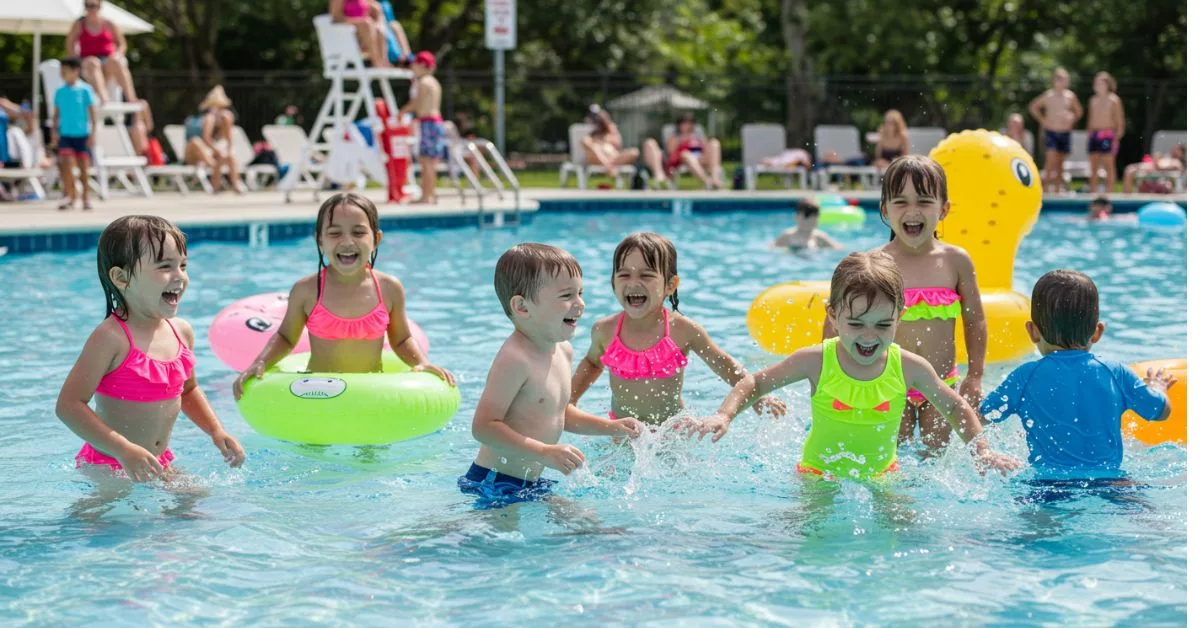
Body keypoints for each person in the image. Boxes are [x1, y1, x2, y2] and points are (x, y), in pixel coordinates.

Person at [689, 251, 1020, 479]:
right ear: (833, 315)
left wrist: (982, 451)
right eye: (857, 323)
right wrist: (724, 414)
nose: (869, 336)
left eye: (882, 324)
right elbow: (756, 383)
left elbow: (955, 405)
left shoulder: (908, 367)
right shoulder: (817, 360)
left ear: (899, 318)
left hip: (884, 474)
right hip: (817, 474)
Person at [56, 216, 245, 482]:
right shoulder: (111, 338)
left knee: (194, 511)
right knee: (110, 523)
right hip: (110, 463)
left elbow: (188, 390)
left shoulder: (181, 332)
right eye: (165, 266)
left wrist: (216, 431)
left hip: (158, 462)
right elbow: (68, 405)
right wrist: (123, 449)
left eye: (183, 265)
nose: (179, 276)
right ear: (121, 278)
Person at [824, 156, 987, 455]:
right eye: (901, 202)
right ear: (885, 210)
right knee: (888, 461)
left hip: (940, 384)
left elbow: (974, 319)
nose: (913, 211)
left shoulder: (955, 261)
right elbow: (837, 320)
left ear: (944, 209)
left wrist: (975, 375)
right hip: (884, 382)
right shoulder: (874, 264)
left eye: (924, 201)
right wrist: (834, 378)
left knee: (935, 461)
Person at [461, 243, 644, 508]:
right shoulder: (515, 358)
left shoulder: (563, 351)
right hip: (495, 481)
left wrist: (611, 428)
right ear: (522, 307)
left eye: (580, 292)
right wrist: (544, 452)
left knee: (588, 526)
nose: (580, 303)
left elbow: (557, 414)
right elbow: (483, 427)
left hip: (530, 481)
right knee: (496, 546)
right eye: (566, 295)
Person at [234, 192, 455, 397]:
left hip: (369, 393)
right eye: (334, 233)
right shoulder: (307, 290)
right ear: (320, 241)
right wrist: (261, 361)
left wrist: (422, 362)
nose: (347, 242)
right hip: (318, 394)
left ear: (376, 239)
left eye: (358, 232)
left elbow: (402, 339)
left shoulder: (389, 288)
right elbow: (286, 337)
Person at [570, 232, 787, 426]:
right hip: (622, 431)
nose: (633, 283)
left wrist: (757, 396)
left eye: (646, 275)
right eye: (624, 275)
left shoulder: (682, 330)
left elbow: (724, 364)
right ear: (613, 282)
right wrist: (569, 401)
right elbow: (592, 363)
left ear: (670, 285)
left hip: (671, 431)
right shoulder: (605, 330)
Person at [982, 270, 1173, 479]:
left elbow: (982, 417)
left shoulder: (1024, 376)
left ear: (1032, 331)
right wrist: (1157, 387)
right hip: (1108, 481)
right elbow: (1159, 411)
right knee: (1141, 508)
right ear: (1097, 331)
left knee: (1034, 512)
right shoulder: (1116, 372)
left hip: (1046, 485)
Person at [65, 0, 139, 105]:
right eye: (88, 6)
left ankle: (131, 99)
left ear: (99, 6)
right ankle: (104, 99)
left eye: (93, 5)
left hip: (107, 60)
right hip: (87, 61)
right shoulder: (79, 24)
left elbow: (122, 44)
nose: (91, 9)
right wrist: (75, 59)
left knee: (116, 62)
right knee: (94, 63)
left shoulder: (109, 23)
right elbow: (69, 44)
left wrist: (118, 55)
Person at [398, 51, 444, 204]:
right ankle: (431, 194)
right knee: (432, 161)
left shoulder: (423, 82)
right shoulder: (434, 82)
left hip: (428, 123)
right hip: (436, 122)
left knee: (426, 160)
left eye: (415, 64)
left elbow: (416, 103)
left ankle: (426, 196)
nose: (413, 67)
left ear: (422, 65)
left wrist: (401, 112)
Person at [1028, 68, 1083, 194]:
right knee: (1050, 162)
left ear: (1067, 81)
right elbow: (1033, 107)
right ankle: (1045, 190)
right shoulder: (1049, 95)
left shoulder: (1070, 96)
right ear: (1053, 81)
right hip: (1052, 132)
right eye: (1058, 78)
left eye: (1063, 79)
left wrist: (1071, 119)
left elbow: (1079, 111)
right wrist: (1043, 120)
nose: (1060, 81)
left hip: (1064, 132)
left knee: (1060, 164)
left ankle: (1058, 190)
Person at [52, 57, 97, 211]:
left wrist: (93, 134)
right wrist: (54, 132)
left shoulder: (85, 90)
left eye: (65, 71)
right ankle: (70, 196)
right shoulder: (60, 91)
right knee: (66, 166)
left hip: (82, 135)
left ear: (76, 71)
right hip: (65, 134)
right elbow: (56, 115)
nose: (62, 74)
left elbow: (92, 114)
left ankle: (85, 197)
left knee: (83, 168)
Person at [183, 86, 242, 193]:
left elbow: (228, 140)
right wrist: (219, 151)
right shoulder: (209, 118)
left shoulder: (224, 118)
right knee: (218, 156)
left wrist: (225, 151)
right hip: (199, 154)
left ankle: (234, 184)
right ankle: (219, 185)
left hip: (209, 154)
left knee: (229, 156)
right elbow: (206, 139)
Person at [579, 105, 640, 182]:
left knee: (634, 151)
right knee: (595, 148)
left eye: (600, 121)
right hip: (596, 161)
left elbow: (618, 145)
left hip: (614, 158)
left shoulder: (611, 133)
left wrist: (608, 125)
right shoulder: (589, 137)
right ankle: (609, 168)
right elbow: (586, 143)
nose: (598, 122)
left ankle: (609, 167)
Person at [1087, 71, 1125, 194]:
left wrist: (1117, 136)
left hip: (1108, 134)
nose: (1098, 85)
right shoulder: (1093, 100)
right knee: (1093, 167)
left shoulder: (1114, 100)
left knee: (1109, 165)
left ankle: (1109, 193)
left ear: (1108, 84)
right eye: (1096, 83)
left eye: (1101, 83)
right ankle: (1093, 193)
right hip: (1094, 134)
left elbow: (1119, 120)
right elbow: (1090, 118)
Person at [330, 0, 388, 68]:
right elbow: (336, 18)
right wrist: (359, 23)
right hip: (346, 37)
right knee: (366, 23)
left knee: (379, 29)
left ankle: (384, 62)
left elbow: (373, 11)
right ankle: (376, 63)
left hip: (364, 36)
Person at [774, 198, 842, 250]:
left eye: (813, 219)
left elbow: (838, 248)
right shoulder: (788, 235)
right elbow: (772, 248)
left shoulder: (820, 237)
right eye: (805, 218)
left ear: (817, 219)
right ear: (796, 217)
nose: (808, 222)